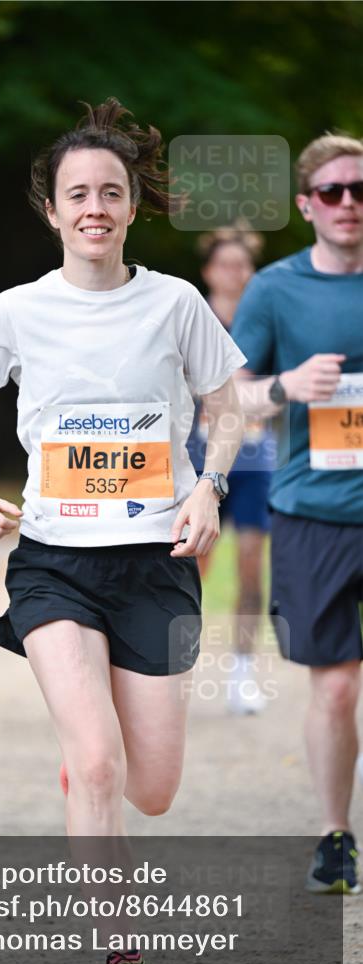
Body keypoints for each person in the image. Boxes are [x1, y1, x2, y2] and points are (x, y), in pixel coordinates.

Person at [0, 99, 246, 964]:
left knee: (150, 788)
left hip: (154, 564)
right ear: (52, 209)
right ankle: (123, 956)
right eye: (77, 193)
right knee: (103, 763)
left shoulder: (175, 303)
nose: (93, 208)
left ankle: (88, 769)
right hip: (54, 564)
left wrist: (206, 485)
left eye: (109, 192)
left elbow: (227, 407)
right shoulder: (17, 310)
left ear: (129, 207)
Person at [231, 133, 363, 894]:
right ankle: (333, 833)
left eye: (360, 190)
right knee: (336, 686)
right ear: (305, 204)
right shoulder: (275, 290)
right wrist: (284, 387)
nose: (349, 203)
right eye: (333, 192)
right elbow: (228, 395)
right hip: (312, 510)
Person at [186, 224, 274, 714]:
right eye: (225, 264)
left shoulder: (264, 322)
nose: (234, 273)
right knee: (195, 567)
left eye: (242, 265)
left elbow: (284, 390)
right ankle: (178, 665)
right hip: (201, 459)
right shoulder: (193, 320)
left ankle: (242, 672)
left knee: (249, 565)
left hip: (257, 460)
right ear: (208, 271)